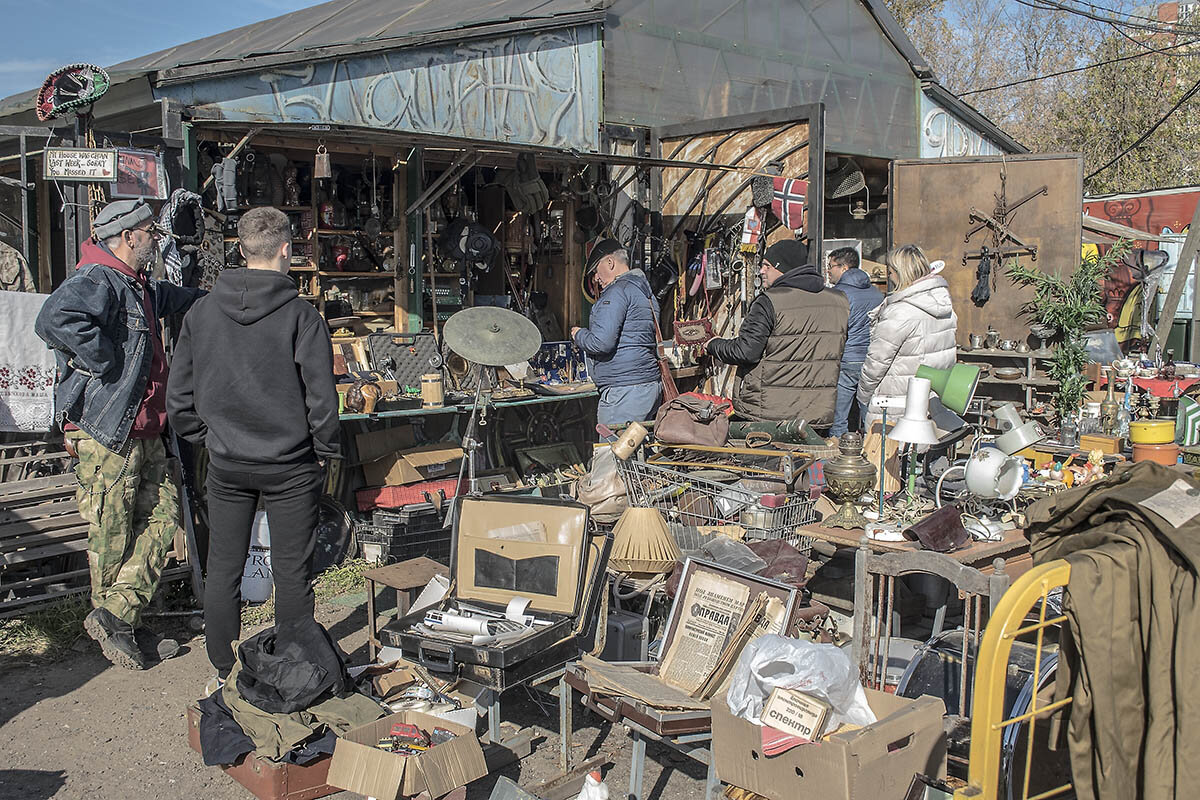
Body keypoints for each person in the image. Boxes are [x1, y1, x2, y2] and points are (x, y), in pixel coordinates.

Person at [167, 207, 341, 687]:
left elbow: (178, 399)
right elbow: (322, 398)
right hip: (291, 464)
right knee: (292, 571)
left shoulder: (200, 312)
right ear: (287, 249)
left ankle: (222, 668)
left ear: (240, 250)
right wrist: (325, 451)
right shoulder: (302, 316)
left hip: (227, 461)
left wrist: (209, 438)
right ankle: (290, 666)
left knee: (224, 563)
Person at [35, 199, 203, 670]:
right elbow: (53, 320)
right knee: (112, 531)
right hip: (108, 429)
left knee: (162, 515)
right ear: (129, 236)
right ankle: (119, 626)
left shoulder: (137, 284)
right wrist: (103, 360)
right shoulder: (97, 279)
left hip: (145, 426)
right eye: (150, 230)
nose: (157, 237)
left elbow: (173, 298)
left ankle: (118, 614)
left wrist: (221, 293)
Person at [706, 239, 849, 428]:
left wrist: (714, 344)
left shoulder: (769, 301)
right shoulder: (839, 301)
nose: (761, 271)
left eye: (767, 265)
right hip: (817, 412)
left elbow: (746, 352)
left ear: (783, 267)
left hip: (769, 412)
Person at [856, 244, 958, 490]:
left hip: (896, 398)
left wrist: (863, 395)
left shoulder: (901, 312)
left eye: (890, 271)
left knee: (888, 476)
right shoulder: (943, 306)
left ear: (899, 272)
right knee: (919, 470)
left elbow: (876, 363)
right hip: (929, 397)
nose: (888, 276)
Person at [570, 239, 663, 427]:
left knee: (613, 452)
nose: (596, 278)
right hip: (648, 385)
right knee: (639, 450)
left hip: (624, 392)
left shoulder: (617, 292)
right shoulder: (645, 291)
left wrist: (579, 334)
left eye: (596, 270)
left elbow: (601, 343)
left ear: (610, 263)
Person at [827, 247, 883, 437]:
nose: (828, 271)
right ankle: (872, 449)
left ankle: (839, 452)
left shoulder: (838, 295)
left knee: (839, 414)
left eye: (831, 266)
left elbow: (833, 329)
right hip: (872, 360)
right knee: (869, 411)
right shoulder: (876, 293)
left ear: (843, 267)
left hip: (847, 359)